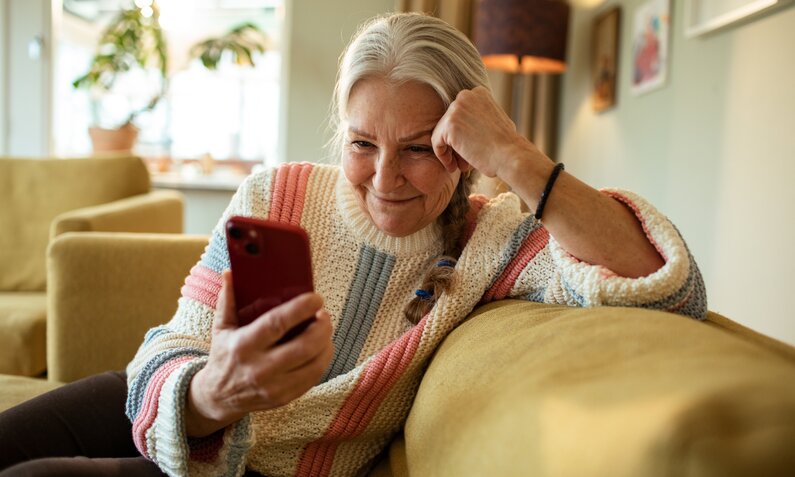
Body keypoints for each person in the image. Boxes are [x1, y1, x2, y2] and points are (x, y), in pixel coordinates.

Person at [0, 12, 706, 477]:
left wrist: (517, 157)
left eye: (418, 149)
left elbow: (669, 287)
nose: (384, 177)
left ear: (462, 148)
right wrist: (214, 389)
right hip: (174, 402)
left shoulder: (495, 242)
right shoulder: (275, 194)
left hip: (259, 466)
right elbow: (175, 339)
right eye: (362, 143)